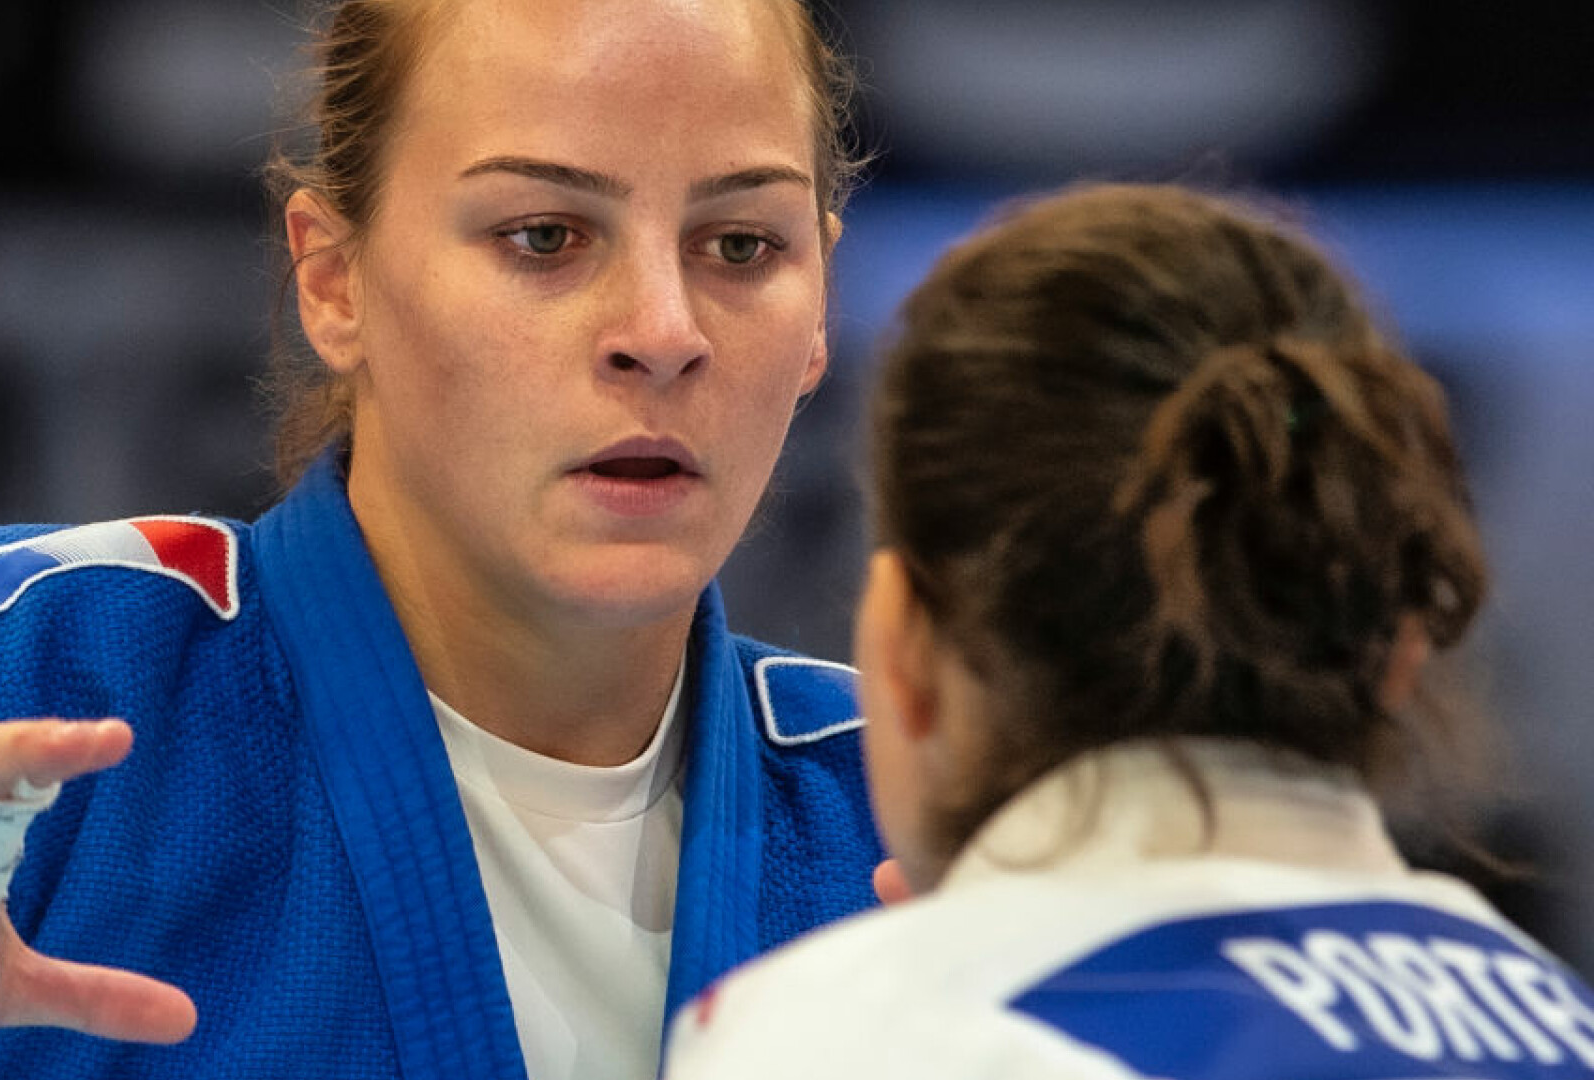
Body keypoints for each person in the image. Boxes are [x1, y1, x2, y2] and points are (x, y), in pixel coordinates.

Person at [0, 1, 884, 1078]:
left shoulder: (929, 836)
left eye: (742, 247)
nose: (662, 332)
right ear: (334, 282)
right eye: (545, 236)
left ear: (822, 303)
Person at [662, 182, 1594, 1079]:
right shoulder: (1557, 1023)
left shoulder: (854, 1035)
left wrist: (936, 988)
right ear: (1400, 652)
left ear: (904, 645)